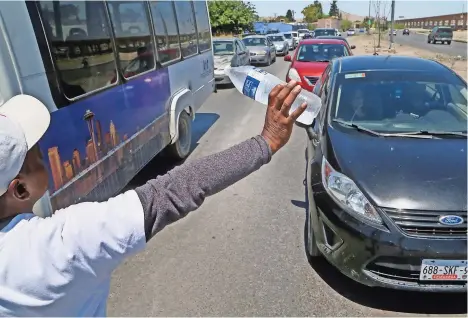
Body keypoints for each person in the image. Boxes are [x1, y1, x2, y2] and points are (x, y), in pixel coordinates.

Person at [0, 81, 307, 316]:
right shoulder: (61, 244)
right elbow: (175, 191)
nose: (44, 151)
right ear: (20, 189)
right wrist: (265, 142)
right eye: (37, 156)